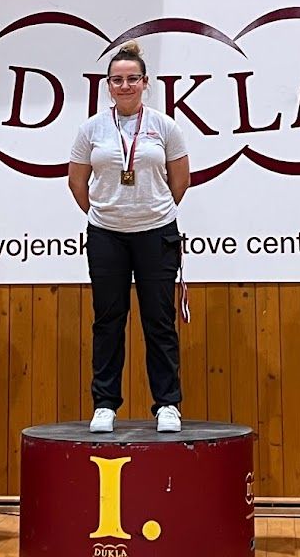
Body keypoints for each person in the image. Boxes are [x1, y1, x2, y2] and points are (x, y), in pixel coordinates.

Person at [68, 41, 190, 434]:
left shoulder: (165, 126)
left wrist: (150, 210)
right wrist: (107, 212)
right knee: (108, 321)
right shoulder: (91, 129)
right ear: (107, 85)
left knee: (159, 321)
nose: (125, 86)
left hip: (156, 234)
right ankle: (105, 404)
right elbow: (77, 181)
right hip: (107, 235)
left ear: (145, 83)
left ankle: (167, 404)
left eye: (132, 79)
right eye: (117, 80)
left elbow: (181, 180)